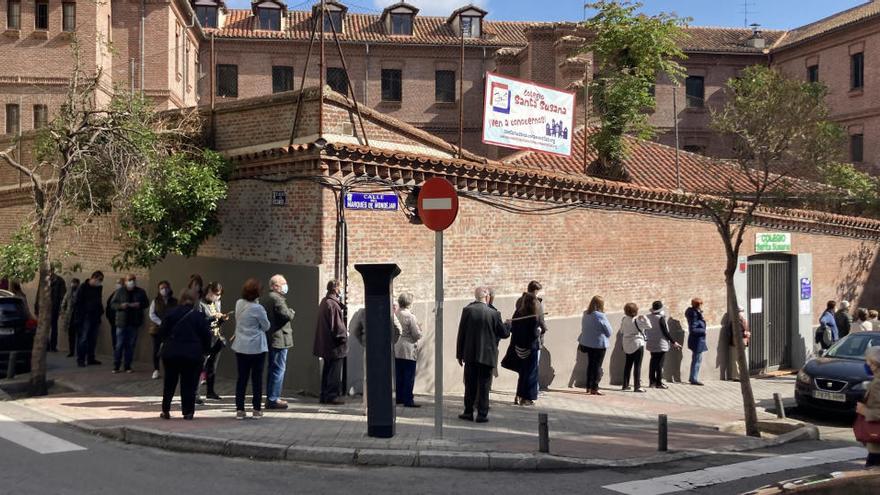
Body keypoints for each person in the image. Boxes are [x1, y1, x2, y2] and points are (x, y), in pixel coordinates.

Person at [456, 286, 510, 423]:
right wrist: (508, 325)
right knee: (484, 386)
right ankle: (482, 414)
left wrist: (459, 354)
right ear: (486, 297)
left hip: (470, 355)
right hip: (487, 355)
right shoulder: (494, 313)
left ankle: (468, 412)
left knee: (470, 385)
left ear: (475, 296)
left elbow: (461, 333)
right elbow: (504, 333)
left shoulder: (467, 310)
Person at [158, 290, 211, 420]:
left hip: (171, 353)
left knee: (169, 383)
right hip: (192, 355)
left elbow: (162, 332)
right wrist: (205, 351)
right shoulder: (198, 316)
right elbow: (206, 336)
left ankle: (166, 410)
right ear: (194, 301)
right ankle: (188, 412)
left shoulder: (171, 313)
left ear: (181, 299)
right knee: (189, 384)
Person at [232, 278, 271, 419]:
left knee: (241, 378)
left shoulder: (239, 303)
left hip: (241, 346)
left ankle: (240, 410)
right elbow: (266, 326)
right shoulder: (258, 308)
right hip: (256, 348)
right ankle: (256, 409)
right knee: (256, 379)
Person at [262, 274, 296, 410]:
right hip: (279, 339)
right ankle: (273, 398)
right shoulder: (277, 299)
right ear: (275, 286)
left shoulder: (265, 298)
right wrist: (292, 311)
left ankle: (272, 396)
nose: (285, 286)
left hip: (270, 337)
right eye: (283, 284)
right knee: (278, 369)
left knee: (272, 368)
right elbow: (287, 315)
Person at [502, 292, 541, 406]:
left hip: (518, 348)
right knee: (530, 374)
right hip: (529, 349)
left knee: (523, 374)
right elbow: (534, 334)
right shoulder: (533, 317)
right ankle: (526, 398)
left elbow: (514, 329)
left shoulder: (518, 313)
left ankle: (518, 395)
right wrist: (539, 331)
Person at [313, 279, 348, 405]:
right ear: (335, 288)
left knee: (327, 369)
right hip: (334, 345)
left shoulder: (325, 301)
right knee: (334, 371)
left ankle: (324, 395)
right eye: (340, 287)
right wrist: (344, 337)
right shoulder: (333, 305)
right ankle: (332, 396)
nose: (341, 290)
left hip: (327, 344)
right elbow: (337, 327)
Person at [110, 274, 149, 373]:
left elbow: (146, 303)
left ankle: (127, 365)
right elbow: (113, 304)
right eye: (129, 280)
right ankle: (116, 365)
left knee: (130, 345)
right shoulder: (120, 291)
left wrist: (139, 305)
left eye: (133, 280)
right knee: (119, 344)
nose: (132, 282)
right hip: (122, 322)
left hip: (134, 322)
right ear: (126, 281)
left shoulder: (140, 292)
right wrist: (121, 306)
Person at [578, 295, 613, 395]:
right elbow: (609, 332)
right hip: (599, 344)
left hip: (588, 343)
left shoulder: (586, 313)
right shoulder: (600, 316)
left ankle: (588, 387)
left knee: (590, 365)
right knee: (597, 366)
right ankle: (595, 388)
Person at [200, 282, 229, 401]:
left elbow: (216, 321)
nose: (217, 297)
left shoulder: (216, 302)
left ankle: (210, 391)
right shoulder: (200, 304)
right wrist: (213, 317)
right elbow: (200, 321)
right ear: (209, 292)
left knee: (212, 366)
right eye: (216, 294)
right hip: (205, 339)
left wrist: (222, 318)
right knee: (201, 366)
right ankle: (195, 393)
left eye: (219, 295)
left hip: (216, 338)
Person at [394, 292, 422, 408]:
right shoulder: (410, 317)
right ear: (409, 303)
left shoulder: (396, 314)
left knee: (399, 374)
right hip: (409, 348)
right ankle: (408, 399)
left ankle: (399, 397)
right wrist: (420, 330)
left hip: (397, 346)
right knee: (409, 375)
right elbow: (416, 334)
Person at [72, 271, 105, 367]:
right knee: (83, 339)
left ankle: (91, 358)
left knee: (93, 339)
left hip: (95, 317)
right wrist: (80, 317)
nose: (100, 282)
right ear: (93, 278)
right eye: (99, 280)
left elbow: (99, 301)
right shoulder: (83, 287)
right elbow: (77, 303)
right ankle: (81, 359)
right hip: (85, 317)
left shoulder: (98, 288)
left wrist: (100, 311)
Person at [645, 301, 680, 389]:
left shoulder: (648, 317)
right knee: (660, 364)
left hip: (651, 343)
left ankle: (652, 382)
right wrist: (673, 342)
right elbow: (665, 332)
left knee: (653, 362)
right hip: (661, 344)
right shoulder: (660, 318)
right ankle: (659, 383)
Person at [147, 281, 178, 380]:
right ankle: (156, 370)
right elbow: (151, 314)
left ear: (169, 289)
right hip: (157, 329)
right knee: (156, 350)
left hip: (169, 330)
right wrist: (160, 323)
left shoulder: (174, 301)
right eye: (161, 288)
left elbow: (176, 313)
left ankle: (169, 369)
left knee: (169, 350)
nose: (164, 290)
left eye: (165, 288)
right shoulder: (155, 301)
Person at [856, 346, 880, 467]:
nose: (867, 364)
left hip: (878, 444)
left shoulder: (878, 383)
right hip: (876, 445)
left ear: (875, 363)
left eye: (868, 361)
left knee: (870, 478)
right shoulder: (876, 380)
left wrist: (864, 411)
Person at [621, 303, 650, 392]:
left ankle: (625, 385)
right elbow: (649, 326)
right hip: (637, 344)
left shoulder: (624, 319)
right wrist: (645, 318)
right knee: (637, 365)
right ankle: (637, 386)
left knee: (628, 365)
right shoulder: (637, 320)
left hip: (626, 344)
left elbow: (621, 331)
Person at [34, 270, 66, 352]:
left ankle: (53, 346)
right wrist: (36, 307)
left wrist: (61, 308)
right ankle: (46, 345)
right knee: (45, 327)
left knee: (54, 327)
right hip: (44, 308)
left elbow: (63, 296)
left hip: (54, 308)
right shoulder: (44, 281)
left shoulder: (60, 281)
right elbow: (39, 294)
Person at [722, 307, 751, 380]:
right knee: (736, 359)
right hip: (736, 343)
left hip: (743, 342)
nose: (741, 313)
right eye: (740, 311)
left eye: (742, 311)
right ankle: (736, 376)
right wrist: (744, 334)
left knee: (740, 359)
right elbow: (735, 333)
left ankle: (742, 375)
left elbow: (745, 329)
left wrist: (747, 334)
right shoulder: (734, 321)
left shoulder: (743, 320)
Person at [685, 298, 707, 386]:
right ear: (698, 305)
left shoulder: (696, 313)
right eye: (701, 304)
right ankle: (694, 378)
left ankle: (693, 377)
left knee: (697, 359)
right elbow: (693, 329)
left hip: (698, 340)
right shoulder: (694, 315)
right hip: (697, 341)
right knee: (697, 360)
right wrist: (703, 331)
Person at [60, 278, 80, 357]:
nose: (73, 285)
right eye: (72, 283)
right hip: (70, 317)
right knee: (71, 335)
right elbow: (63, 304)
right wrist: (63, 313)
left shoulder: (80, 292)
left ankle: (78, 351)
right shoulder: (68, 293)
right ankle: (71, 351)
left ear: (78, 284)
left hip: (77, 316)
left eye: (75, 283)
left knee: (78, 335)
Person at [105, 278, 124, 353]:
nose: (118, 285)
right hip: (113, 321)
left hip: (122, 321)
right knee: (115, 339)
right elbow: (109, 306)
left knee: (121, 339)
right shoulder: (113, 294)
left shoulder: (125, 294)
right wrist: (109, 317)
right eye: (117, 283)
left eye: (119, 283)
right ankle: (116, 354)